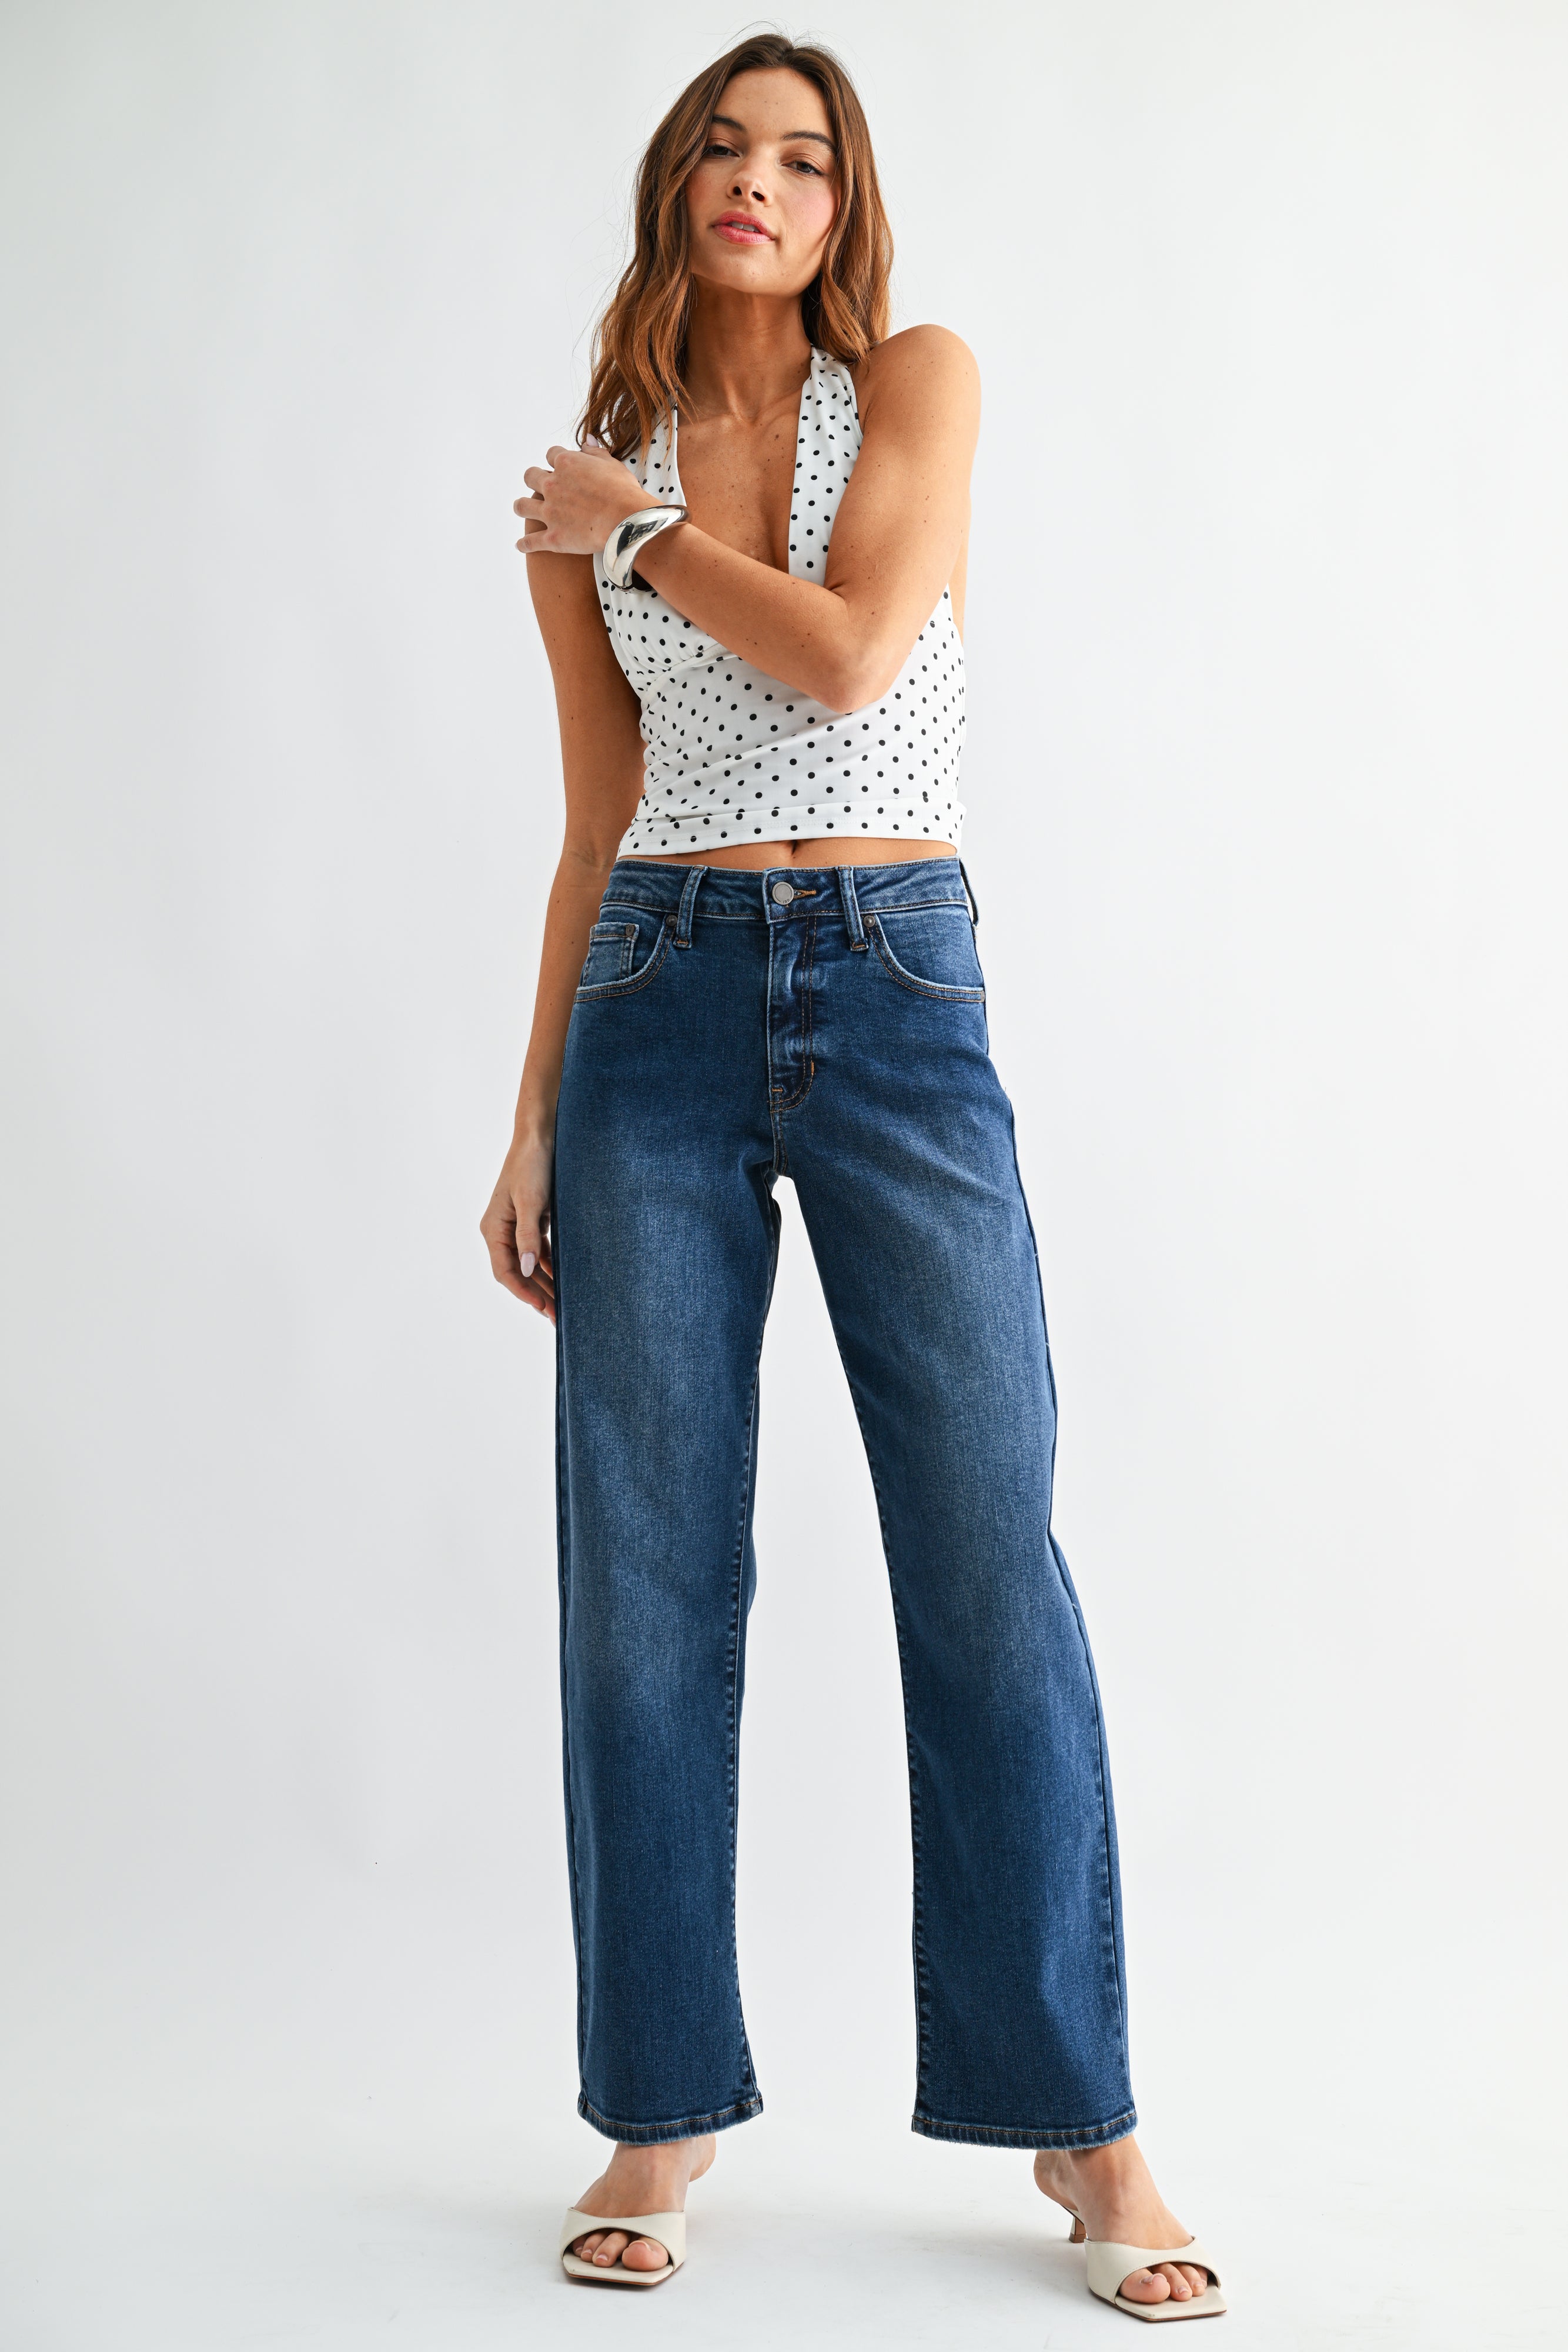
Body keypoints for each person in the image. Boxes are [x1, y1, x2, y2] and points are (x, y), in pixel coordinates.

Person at [482, 33, 1225, 2323]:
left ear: (842, 207)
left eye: (803, 157)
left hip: (897, 985)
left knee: (989, 1556)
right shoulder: (595, 478)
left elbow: (853, 646)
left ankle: (1084, 2125)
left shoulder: (909, 383)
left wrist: (641, 543)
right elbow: (597, 823)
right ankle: (657, 2110)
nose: (757, 180)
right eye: (724, 142)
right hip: (657, 1001)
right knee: (644, 1577)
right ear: (673, 182)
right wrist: (525, 1115)